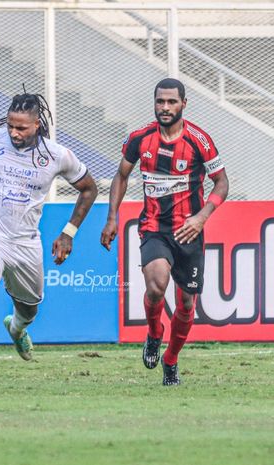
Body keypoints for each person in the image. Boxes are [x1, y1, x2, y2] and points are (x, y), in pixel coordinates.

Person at [0, 91, 98, 360]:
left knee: (29, 310)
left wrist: (68, 233)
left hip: (25, 243)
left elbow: (89, 189)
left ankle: (15, 329)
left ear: (37, 124)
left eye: (21, 128)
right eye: (11, 125)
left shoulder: (57, 155)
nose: (14, 132)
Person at [100, 78, 229, 385]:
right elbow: (121, 176)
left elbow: (222, 183)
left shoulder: (200, 140)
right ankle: (155, 333)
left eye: (172, 102)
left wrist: (202, 217)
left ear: (184, 104)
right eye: (160, 102)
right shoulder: (139, 139)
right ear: (154, 103)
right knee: (156, 286)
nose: (165, 107)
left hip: (189, 231)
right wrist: (111, 218)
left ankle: (171, 360)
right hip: (154, 227)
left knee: (186, 303)